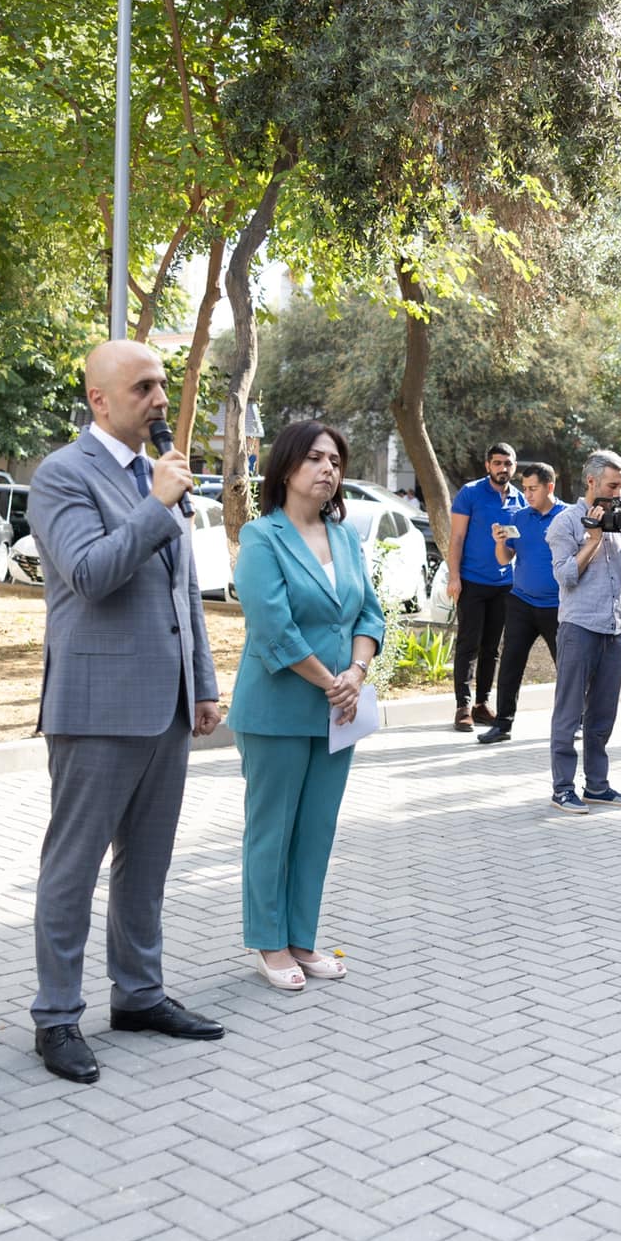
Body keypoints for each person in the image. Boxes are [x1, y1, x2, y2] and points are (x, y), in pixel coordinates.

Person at [27, 339, 225, 1086]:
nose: (160, 400)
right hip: (96, 704)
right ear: (100, 401)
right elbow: (91, 575)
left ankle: (139, 995)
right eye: (143, 387)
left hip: (166, 704)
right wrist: (157, 506)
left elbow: (183, 591)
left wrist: (201, 681)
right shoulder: (61, 476)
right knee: (73, 869)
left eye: (162, 385)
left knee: (146, 866)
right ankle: (56, 1017)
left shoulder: (154, 475)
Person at [229, 422, 387, 986]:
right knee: (272, 829)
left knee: (316, 828)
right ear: (288, 467)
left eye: (337, 462)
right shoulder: (261, 539)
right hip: (277, 711)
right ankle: (268, 944)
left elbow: (370, 613)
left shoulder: (344, 538)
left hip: (337, 712)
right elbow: (275, 629)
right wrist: (331, 681)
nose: (329, 469)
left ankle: (302, 939)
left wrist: (357, 671)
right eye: (317, 458)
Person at [547, 449, 621, 812]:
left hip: (615, 628)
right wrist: (592, 540)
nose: (620, 491)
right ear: (591, 482)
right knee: (569, 712)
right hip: (579, 628)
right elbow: (565, 576)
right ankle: (562, 788)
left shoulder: (620, 517)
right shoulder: (565, 522)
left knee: (603, 714)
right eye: (613, 485)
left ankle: (597, 786)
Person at [479, 461, 567, 744]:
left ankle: (573, 723)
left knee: (567, 667)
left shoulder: (568, 517)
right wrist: (498, 541)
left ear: (549, 487)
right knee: (510, 664)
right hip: (520, 602)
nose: (527, 494)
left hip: (557, 606)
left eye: (533, 488)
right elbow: (505, 559)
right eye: (525, 488)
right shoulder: (518, 518)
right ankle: (502, 725)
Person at [446, 443, 524, 730]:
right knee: (468, 645)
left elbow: (521, 543)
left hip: (505, 585)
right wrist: (454, 576)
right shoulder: (470, 493)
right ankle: (462, 707)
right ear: (488, 465)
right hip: (471, 581)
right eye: (498, 463)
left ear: (514, 467)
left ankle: (481, 705)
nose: (503, 468)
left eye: (508, 463)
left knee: (492, 648)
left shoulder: (520, 499)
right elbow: (456, 538)